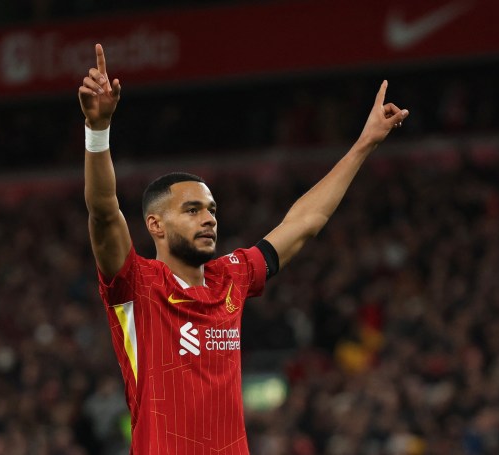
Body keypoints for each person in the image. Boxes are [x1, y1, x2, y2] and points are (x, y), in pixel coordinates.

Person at [79, 43, 408, 455]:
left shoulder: (230, 276)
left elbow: (304, 223)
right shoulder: (136, 285)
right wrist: (98, 131)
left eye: (212, 210)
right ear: (155, 225)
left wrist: (365, 142)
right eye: (193, 209)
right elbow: (104, 211)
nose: (209, 218)